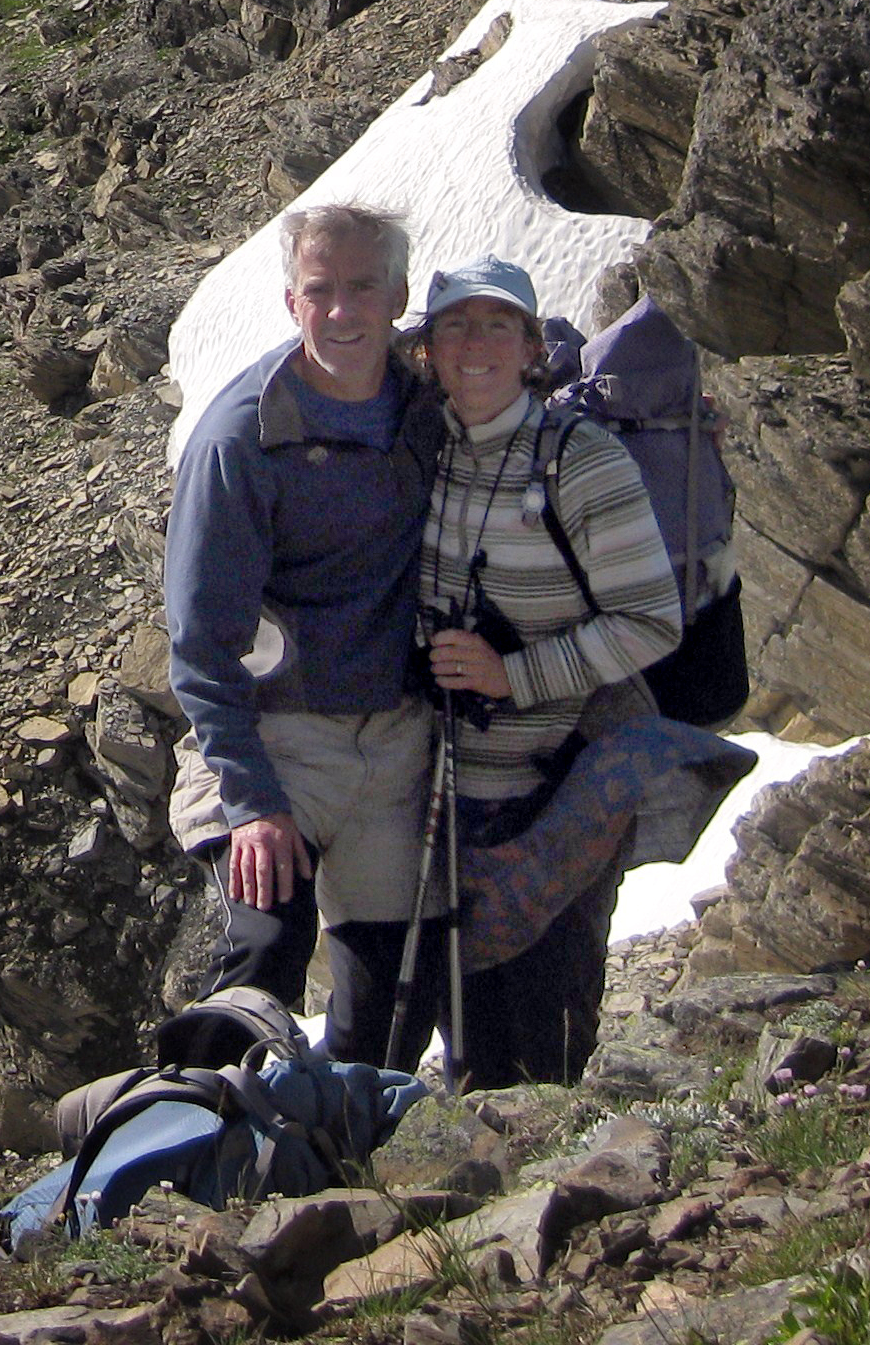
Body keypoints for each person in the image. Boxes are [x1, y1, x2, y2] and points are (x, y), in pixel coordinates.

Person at [163, 201, 450, 1071]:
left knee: (392, 1000)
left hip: (395, 738)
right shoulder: (242, 438)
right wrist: (252, 801)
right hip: (276, 736)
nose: (340, 310)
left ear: (398, 297)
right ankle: (200, 1133)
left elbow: (526, 374)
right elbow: (202, 640)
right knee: (263, 955)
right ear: (292, 302)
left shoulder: (427, 406)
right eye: (319, 290)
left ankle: (352, 1146)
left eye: (362, 287)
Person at [414, 255, 683, 1086]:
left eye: (498, 326)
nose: (476, 345)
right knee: (469, 1048)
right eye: (456, 326)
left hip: (559, 799)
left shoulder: (583, 461)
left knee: (546, 1041)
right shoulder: (421, 452)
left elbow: (651, 620)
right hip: (442, 807)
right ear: (427, 350)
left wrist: (514, 676)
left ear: (532, 347)